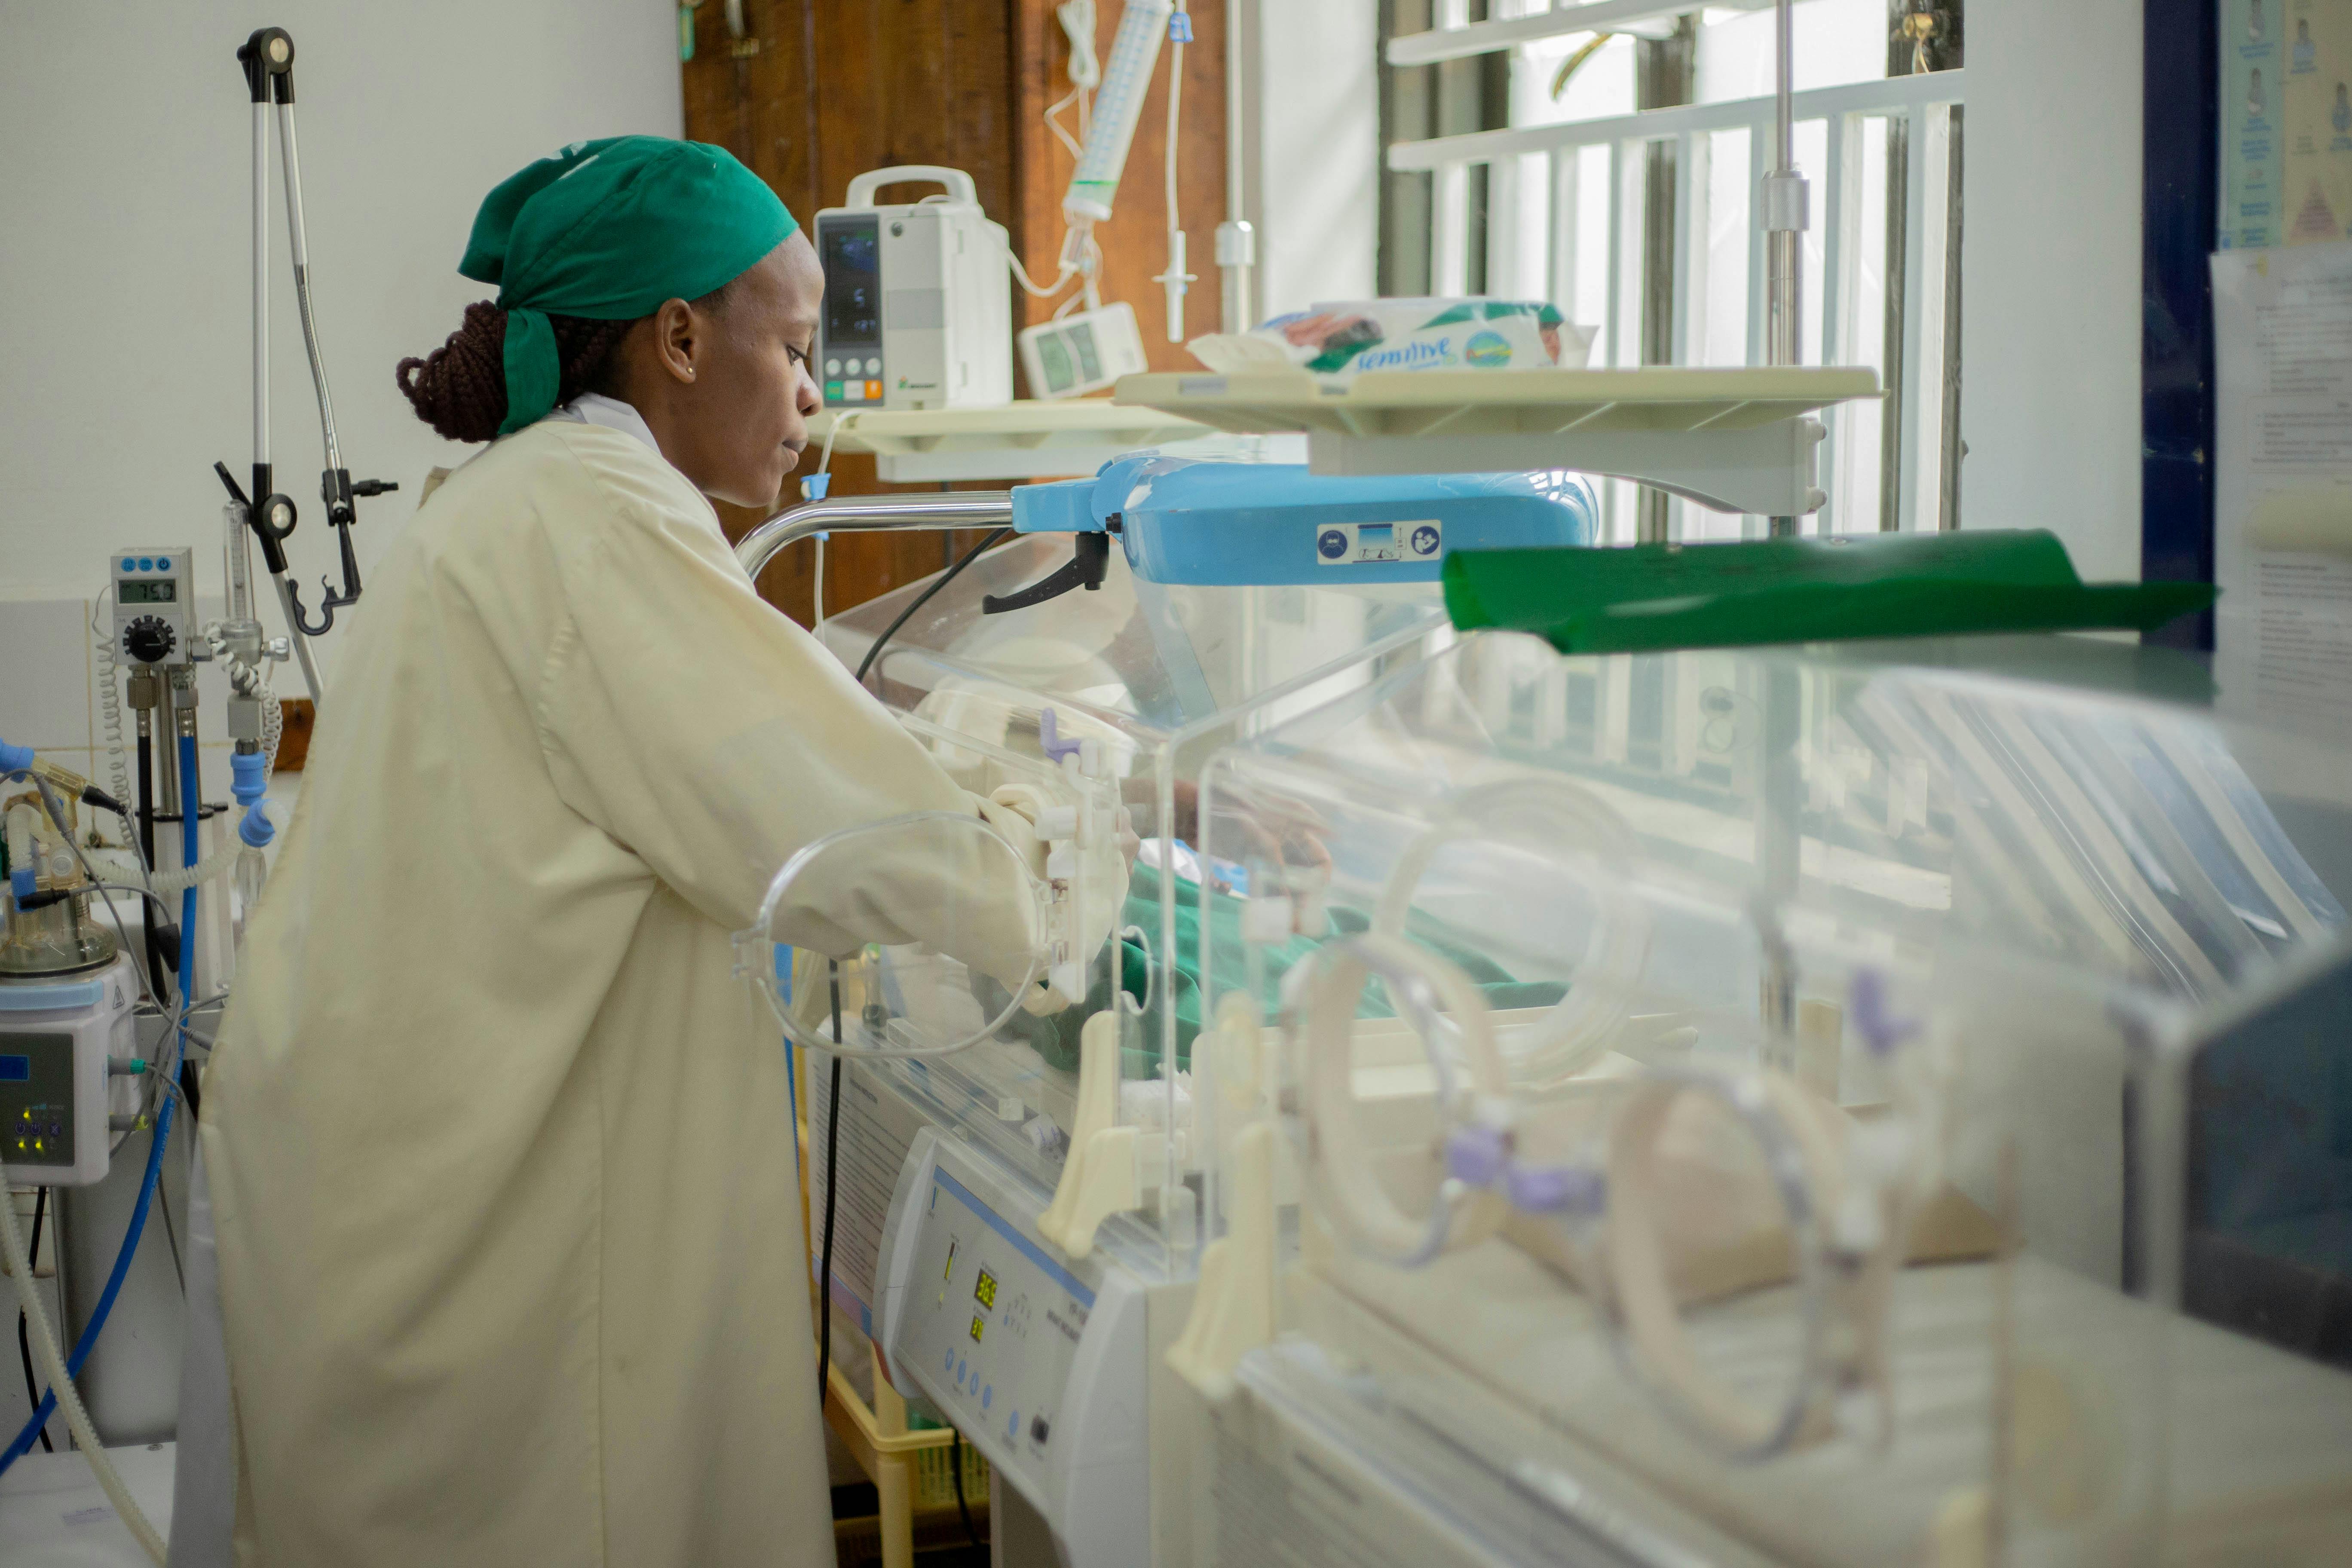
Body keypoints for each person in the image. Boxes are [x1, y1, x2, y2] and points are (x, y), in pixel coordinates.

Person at [189, 136, 1044, 1567]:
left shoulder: (520, 503)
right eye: (791, 346)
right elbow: (847, 836)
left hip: (391, 1192)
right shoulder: (595, 526)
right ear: (683, 338)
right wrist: (1056, 864)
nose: (815, 394)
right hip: (477, 1258)